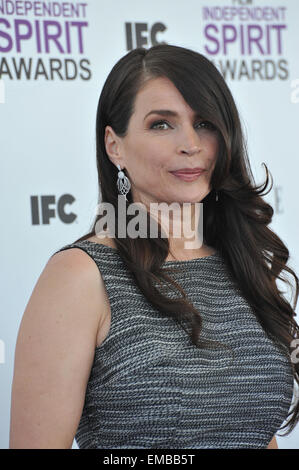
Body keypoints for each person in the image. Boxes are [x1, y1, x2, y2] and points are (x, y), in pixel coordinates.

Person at [9, 44, 299, 449]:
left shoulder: (240, 264)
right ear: (115, 146)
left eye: (204, 123)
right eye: (162, 124)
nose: (190, 144)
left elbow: (251, 429)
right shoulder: (81, 275)